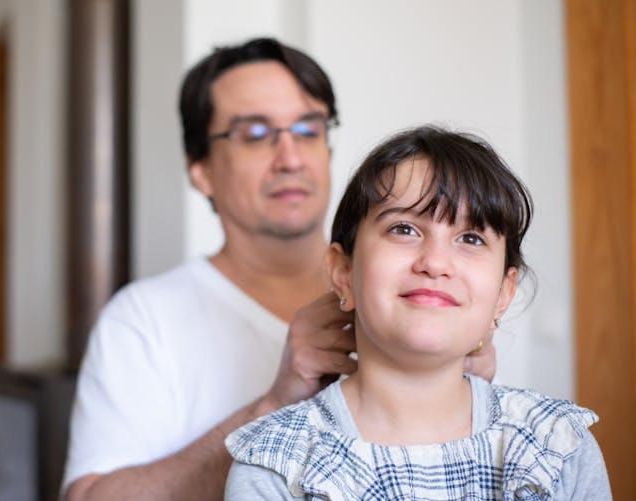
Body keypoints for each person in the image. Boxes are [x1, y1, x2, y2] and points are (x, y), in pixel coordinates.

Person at [62, 39, 496, 501]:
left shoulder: (416, 293)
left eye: (308, 129)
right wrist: (273, 407)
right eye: (254, 134)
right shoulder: (143, 319)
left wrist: (468, 391)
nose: (290, 157)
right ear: (200, 170)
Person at [225, 125, 612, 500]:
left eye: (471, 238)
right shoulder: (275, 465)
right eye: (404, 229)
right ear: (343, 274)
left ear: (502, 294)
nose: (435, 262)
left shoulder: (558, 448)